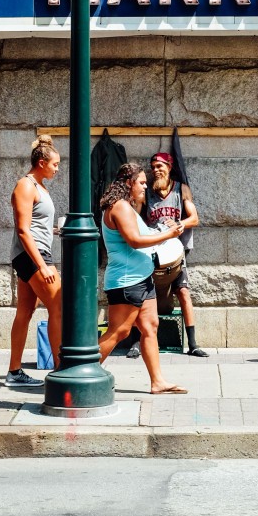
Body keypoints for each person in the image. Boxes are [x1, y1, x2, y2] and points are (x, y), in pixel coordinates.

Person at [97, 162, 188, 394]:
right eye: (141, 182)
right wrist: (169, 234)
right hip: (128, 280)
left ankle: (157, 382)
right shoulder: (120, 207)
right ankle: (81, 370)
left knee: (150, 326)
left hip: (141, 277)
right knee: (119, 331)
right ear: (128, 183)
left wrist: (161, 233)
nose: (145, 186)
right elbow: (135, 240)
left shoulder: (126, 207)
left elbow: (142, 236)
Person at [5, 135, 62, 389]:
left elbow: (37, 226)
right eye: (55, 164)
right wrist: (42, 265)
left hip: (34, 253)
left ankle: (14, 371)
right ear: (41, 162)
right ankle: (62, 370)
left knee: (25, 312)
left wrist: (56, 231)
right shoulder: (25, 186)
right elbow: (23, 230)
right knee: (59, 307)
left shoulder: (39, 186)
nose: (57, 169)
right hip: (32, 255)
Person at [144, 151, 208, 357]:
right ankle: (138, 341)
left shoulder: (181, 189)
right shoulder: (147, 192)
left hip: (175, 251)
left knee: (183, 292)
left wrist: (179, 224)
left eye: (160, 166)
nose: (156, 170)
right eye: (153, 167)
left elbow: (194, 218)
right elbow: (136, 217)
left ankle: (193, 344)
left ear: (169, 167)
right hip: (151, 251)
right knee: (144, 295)